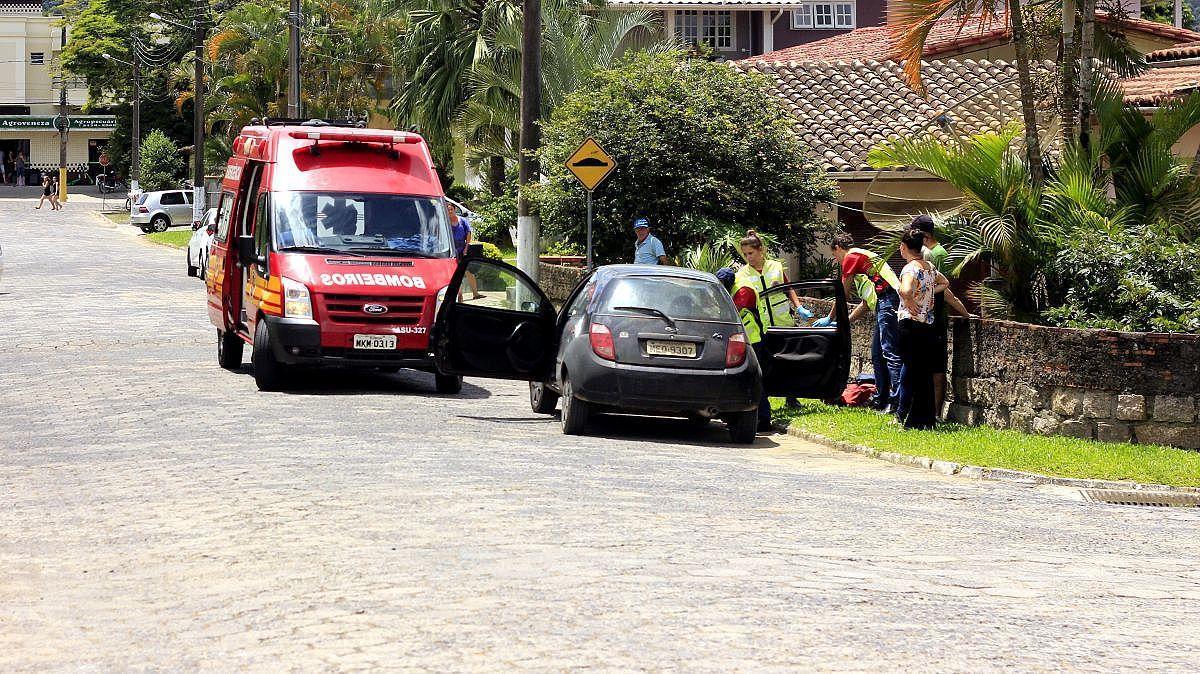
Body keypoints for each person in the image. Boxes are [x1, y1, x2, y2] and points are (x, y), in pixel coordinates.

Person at [732, 230, 808, 429]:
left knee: (789, 362)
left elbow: (787, 286)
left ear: (761, 250)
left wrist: (798, 306)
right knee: (767, 366)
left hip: (783, 321)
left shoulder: (775, 266)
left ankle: (792, 398)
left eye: (751, 253)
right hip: (762, 327)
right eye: (745, 254)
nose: (748, 257)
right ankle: (768, 400)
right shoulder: (742, 274)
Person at [826, 232, 903, 413]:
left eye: (834, 255)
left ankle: (899, 402)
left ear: (837, 248)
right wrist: (844, 321)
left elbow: (842, 294)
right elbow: (866, 302)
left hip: (888, 299)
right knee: (878, 354)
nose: (837, 261)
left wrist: (830, 318)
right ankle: (881, 400)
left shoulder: (851, 256)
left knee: (890, 353)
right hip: (887, 300)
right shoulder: (863, 254)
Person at [911, 215, 971, 418]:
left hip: (935, 318)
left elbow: (944, 289)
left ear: (924, 234)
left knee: (936, 368)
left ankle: (936, 413)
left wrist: (963, 311)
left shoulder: (936, 254)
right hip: (924, 317)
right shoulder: (927, 253)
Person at [896, 227, 949, 429]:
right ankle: (926, 419)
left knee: (912, 371)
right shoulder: (929, 267)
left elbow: (905, 288)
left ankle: (914, 419)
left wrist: (908, 299)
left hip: (910, 323)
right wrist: (928, 293)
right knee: (924, 373)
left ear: (903, 247)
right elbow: (945, 282)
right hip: (926, 325)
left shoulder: (910, 268)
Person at [448, 202, 482, 300]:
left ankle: (475, 294)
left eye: (451, 209)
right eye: (448, 210)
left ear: (454, 210)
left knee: (468, 271)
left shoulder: (462, 221)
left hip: (463, 250)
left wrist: (466, 248)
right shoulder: (446, 222)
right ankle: (459, 295)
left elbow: (468, 233)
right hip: (452, 251)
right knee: (456, 274)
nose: (450, 211)